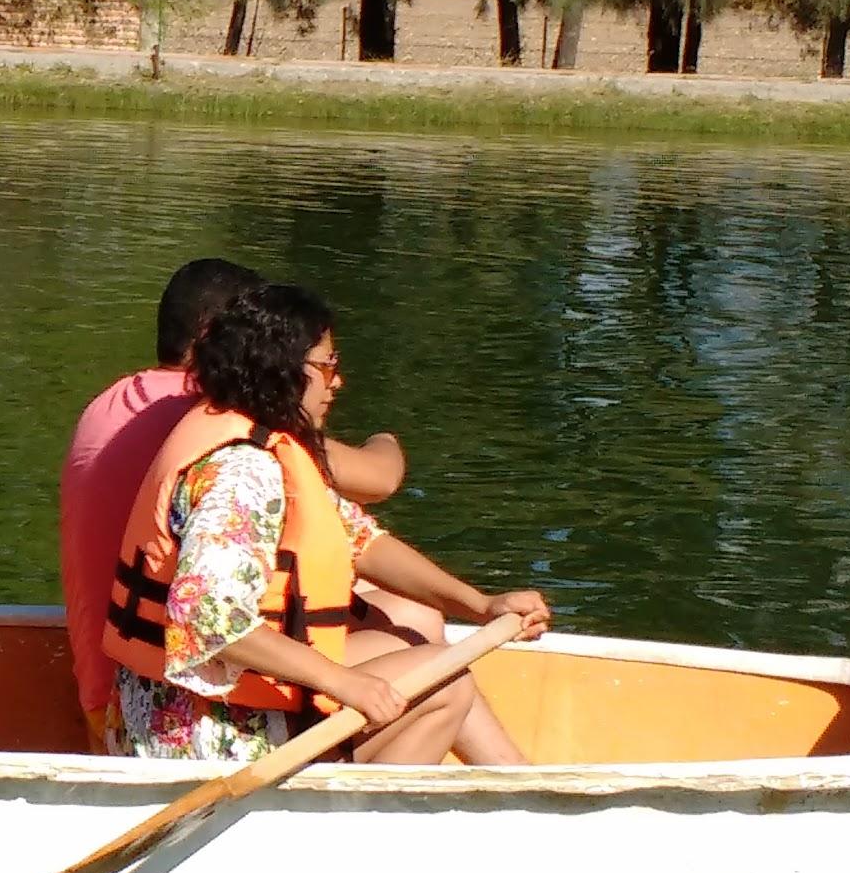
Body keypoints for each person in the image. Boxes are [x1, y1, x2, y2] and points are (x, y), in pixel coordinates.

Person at [102, 282, 548, 764]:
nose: (337, 382)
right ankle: (353, 829)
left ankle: (529, 795)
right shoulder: (241, 472)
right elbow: (211, 625)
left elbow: (362, 541)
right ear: (281, 369)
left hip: (215, 702)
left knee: (420, 631)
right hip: (199, 734)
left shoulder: (264, 440)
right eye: (327, 366)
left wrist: (480, 604)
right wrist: (343, 682)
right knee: (446, 684)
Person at [62, 259, 411, 726]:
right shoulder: (226, 424)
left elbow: (350, 532)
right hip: (171, 695)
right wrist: (387, 438)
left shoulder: (114, 400)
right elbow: (379, 479)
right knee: (416, 626)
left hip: (110, 680)